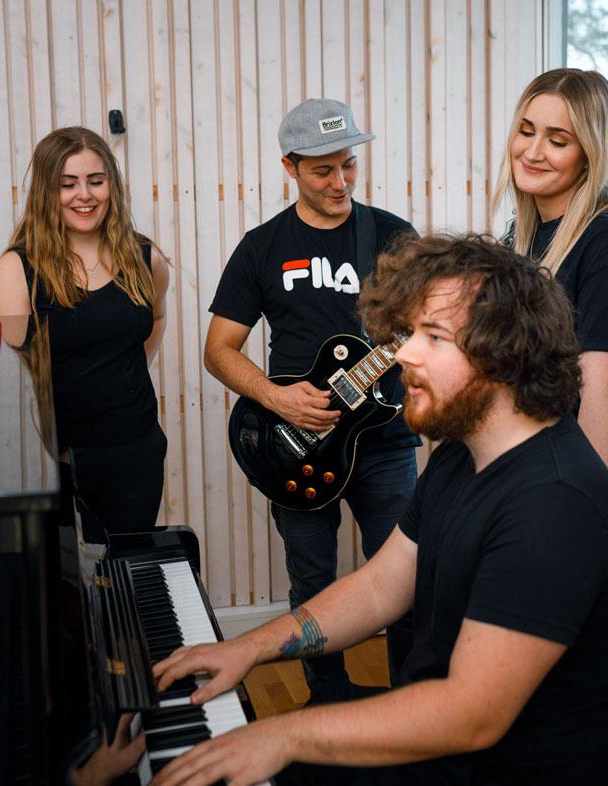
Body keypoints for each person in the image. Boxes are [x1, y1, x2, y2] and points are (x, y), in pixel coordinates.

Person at [152, 235, 608, 786]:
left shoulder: (556, 505)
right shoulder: (464, 453)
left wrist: (285, 735)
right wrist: (249, 647)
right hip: (437, 751)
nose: (403, 353)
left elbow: (470, 716)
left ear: (505, 352)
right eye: (411, 333)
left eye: (433, 337)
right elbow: (381, 587)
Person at [204, 99, 420, 702]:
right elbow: (218, 349)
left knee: (406, 579)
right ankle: (327, 697)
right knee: (313, 578)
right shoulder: (262, 246)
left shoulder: (394, 237)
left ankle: (411, 700)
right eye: (323, 170)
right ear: (290, 167)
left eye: (348, 165)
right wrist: (276, 398)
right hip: (294, 445)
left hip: (384, 443)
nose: (340, 182)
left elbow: (436, 320)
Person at [0, 126, 170, 534]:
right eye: (67, 184)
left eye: (96, 181)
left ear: (112, 187)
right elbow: (6, 377)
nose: (84, 195)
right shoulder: (17, 270)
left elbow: (155, 318)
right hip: (61, 462)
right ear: (46, 193)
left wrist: (133, 367)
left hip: (136, 451)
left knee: (125, 574)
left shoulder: (145, 256)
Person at [492, 67, 608, 510]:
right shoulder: (520, 237)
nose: (533, 151)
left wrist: (581, 513)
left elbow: (599, 394)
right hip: (520, 456)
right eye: (526, 131)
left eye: (557, 140)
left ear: (590, 153)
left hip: (575, 465)